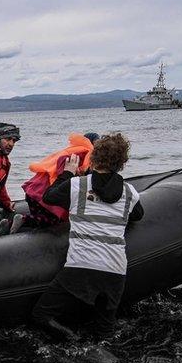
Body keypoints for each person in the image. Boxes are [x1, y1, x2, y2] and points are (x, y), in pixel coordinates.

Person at [31, 133, 144, 340]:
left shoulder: (78, 186)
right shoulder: (130, 193)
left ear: (92, 158)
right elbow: (138, 215)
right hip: (115, 270)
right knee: (105, 331)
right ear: (121, 164)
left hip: (81, 267)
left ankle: (75, 341)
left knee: (42, 315)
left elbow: (48, 197)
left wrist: (68, 173)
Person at [21, 133, 99, 229]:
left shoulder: (69, 152)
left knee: (40, 219)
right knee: (54, 221)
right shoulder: (83, 156)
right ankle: (23, 219)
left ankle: (11, 224)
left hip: (33, 191)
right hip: (42, 196)